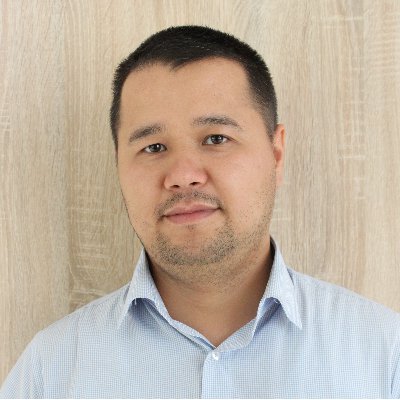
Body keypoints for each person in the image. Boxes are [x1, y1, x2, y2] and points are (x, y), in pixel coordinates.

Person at [1, 25, 400, 399]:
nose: (183, 176)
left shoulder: (384, 357)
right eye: (153, 147)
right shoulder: (50, 372)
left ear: (276, 155)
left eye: (216, 138)